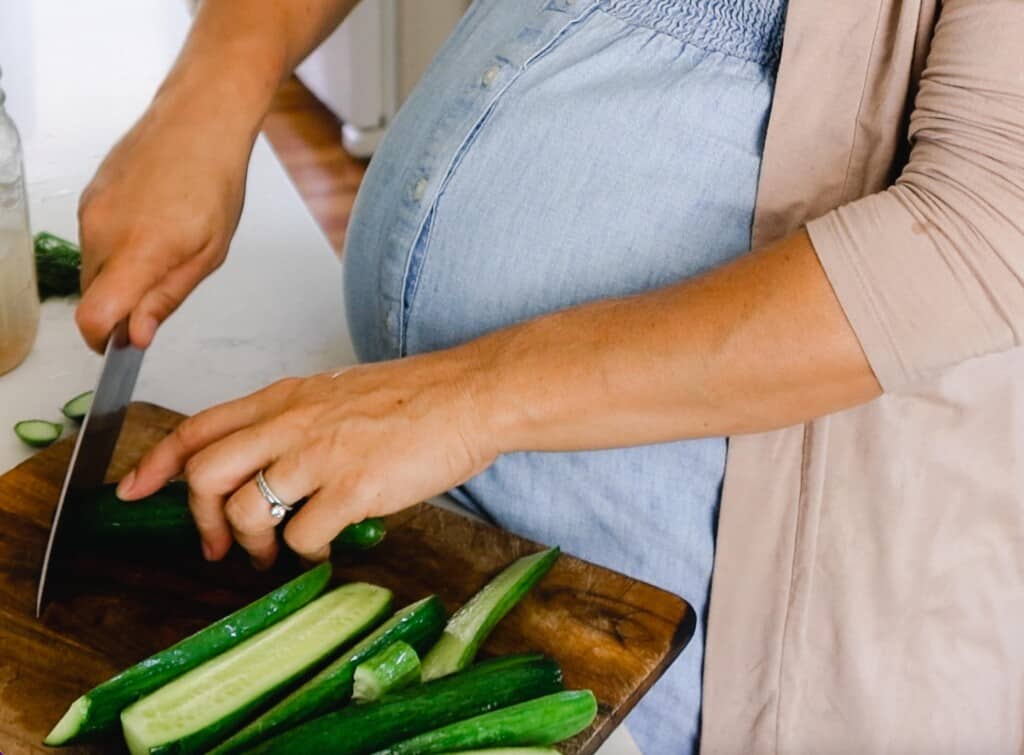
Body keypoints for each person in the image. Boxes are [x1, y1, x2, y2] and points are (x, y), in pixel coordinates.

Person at [74, 0, 1024, 752]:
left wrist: (465, 398)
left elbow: (980, 231)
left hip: (708, 627)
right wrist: (215, 80)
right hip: (436, 518)